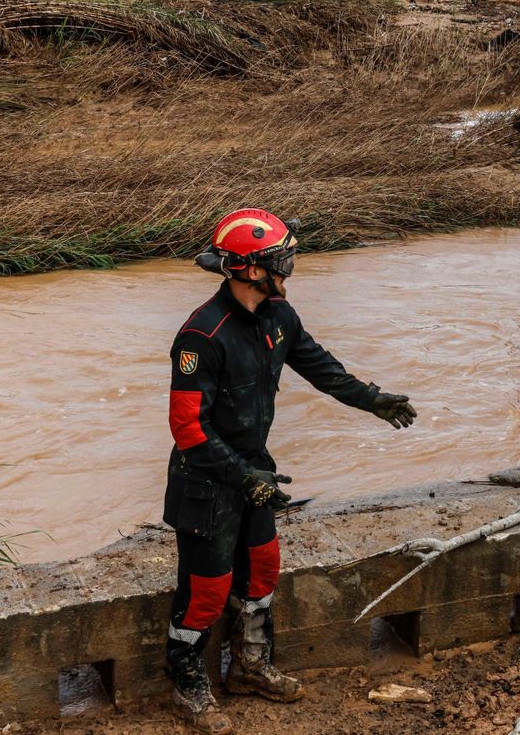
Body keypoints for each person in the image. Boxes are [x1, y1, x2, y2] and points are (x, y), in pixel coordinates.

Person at [164, 209, 417, 732]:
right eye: (282, 260)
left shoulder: (281, 317)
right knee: (207, 589)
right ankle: (188, 685)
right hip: (206, 481)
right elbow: (188, 429)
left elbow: (322, 367)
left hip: (254, 469)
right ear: (249, 269)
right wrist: (243, 477)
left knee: (263, 568)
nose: (289, 268)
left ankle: (250, 668)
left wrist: (374, 401)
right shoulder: (201, 336)